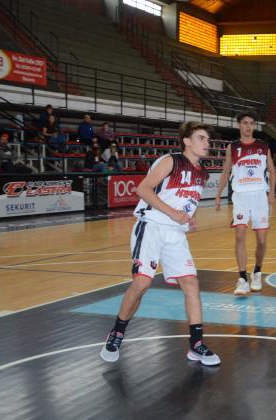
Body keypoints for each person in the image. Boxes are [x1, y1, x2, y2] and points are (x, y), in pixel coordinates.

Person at [99, 121, 220, 366]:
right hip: (151, 226)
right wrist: (173, 214)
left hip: (175, 233)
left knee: (191, 283)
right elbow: (142, 189)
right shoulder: (170, 160)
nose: (207, 143)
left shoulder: (202, 173)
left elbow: (186, 204)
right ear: (186, 141)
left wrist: (189, 219)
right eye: (201, 138)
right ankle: (117, 331)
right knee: (142, 283)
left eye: (207, 139)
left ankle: (196, 345)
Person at [215, 112, 276, 295]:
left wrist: (271, 192)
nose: (248, 126)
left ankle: (257, 271)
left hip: (259, 196)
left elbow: (272, 171)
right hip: (240, 196)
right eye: (245, 123)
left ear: (254, 126)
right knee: (240, 236)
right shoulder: (232, 147)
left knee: (262, 240)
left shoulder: (263, 146)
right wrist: (218, 194)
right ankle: (242, 278)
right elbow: (226, 171)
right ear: (239, 126)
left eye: (251, 123)